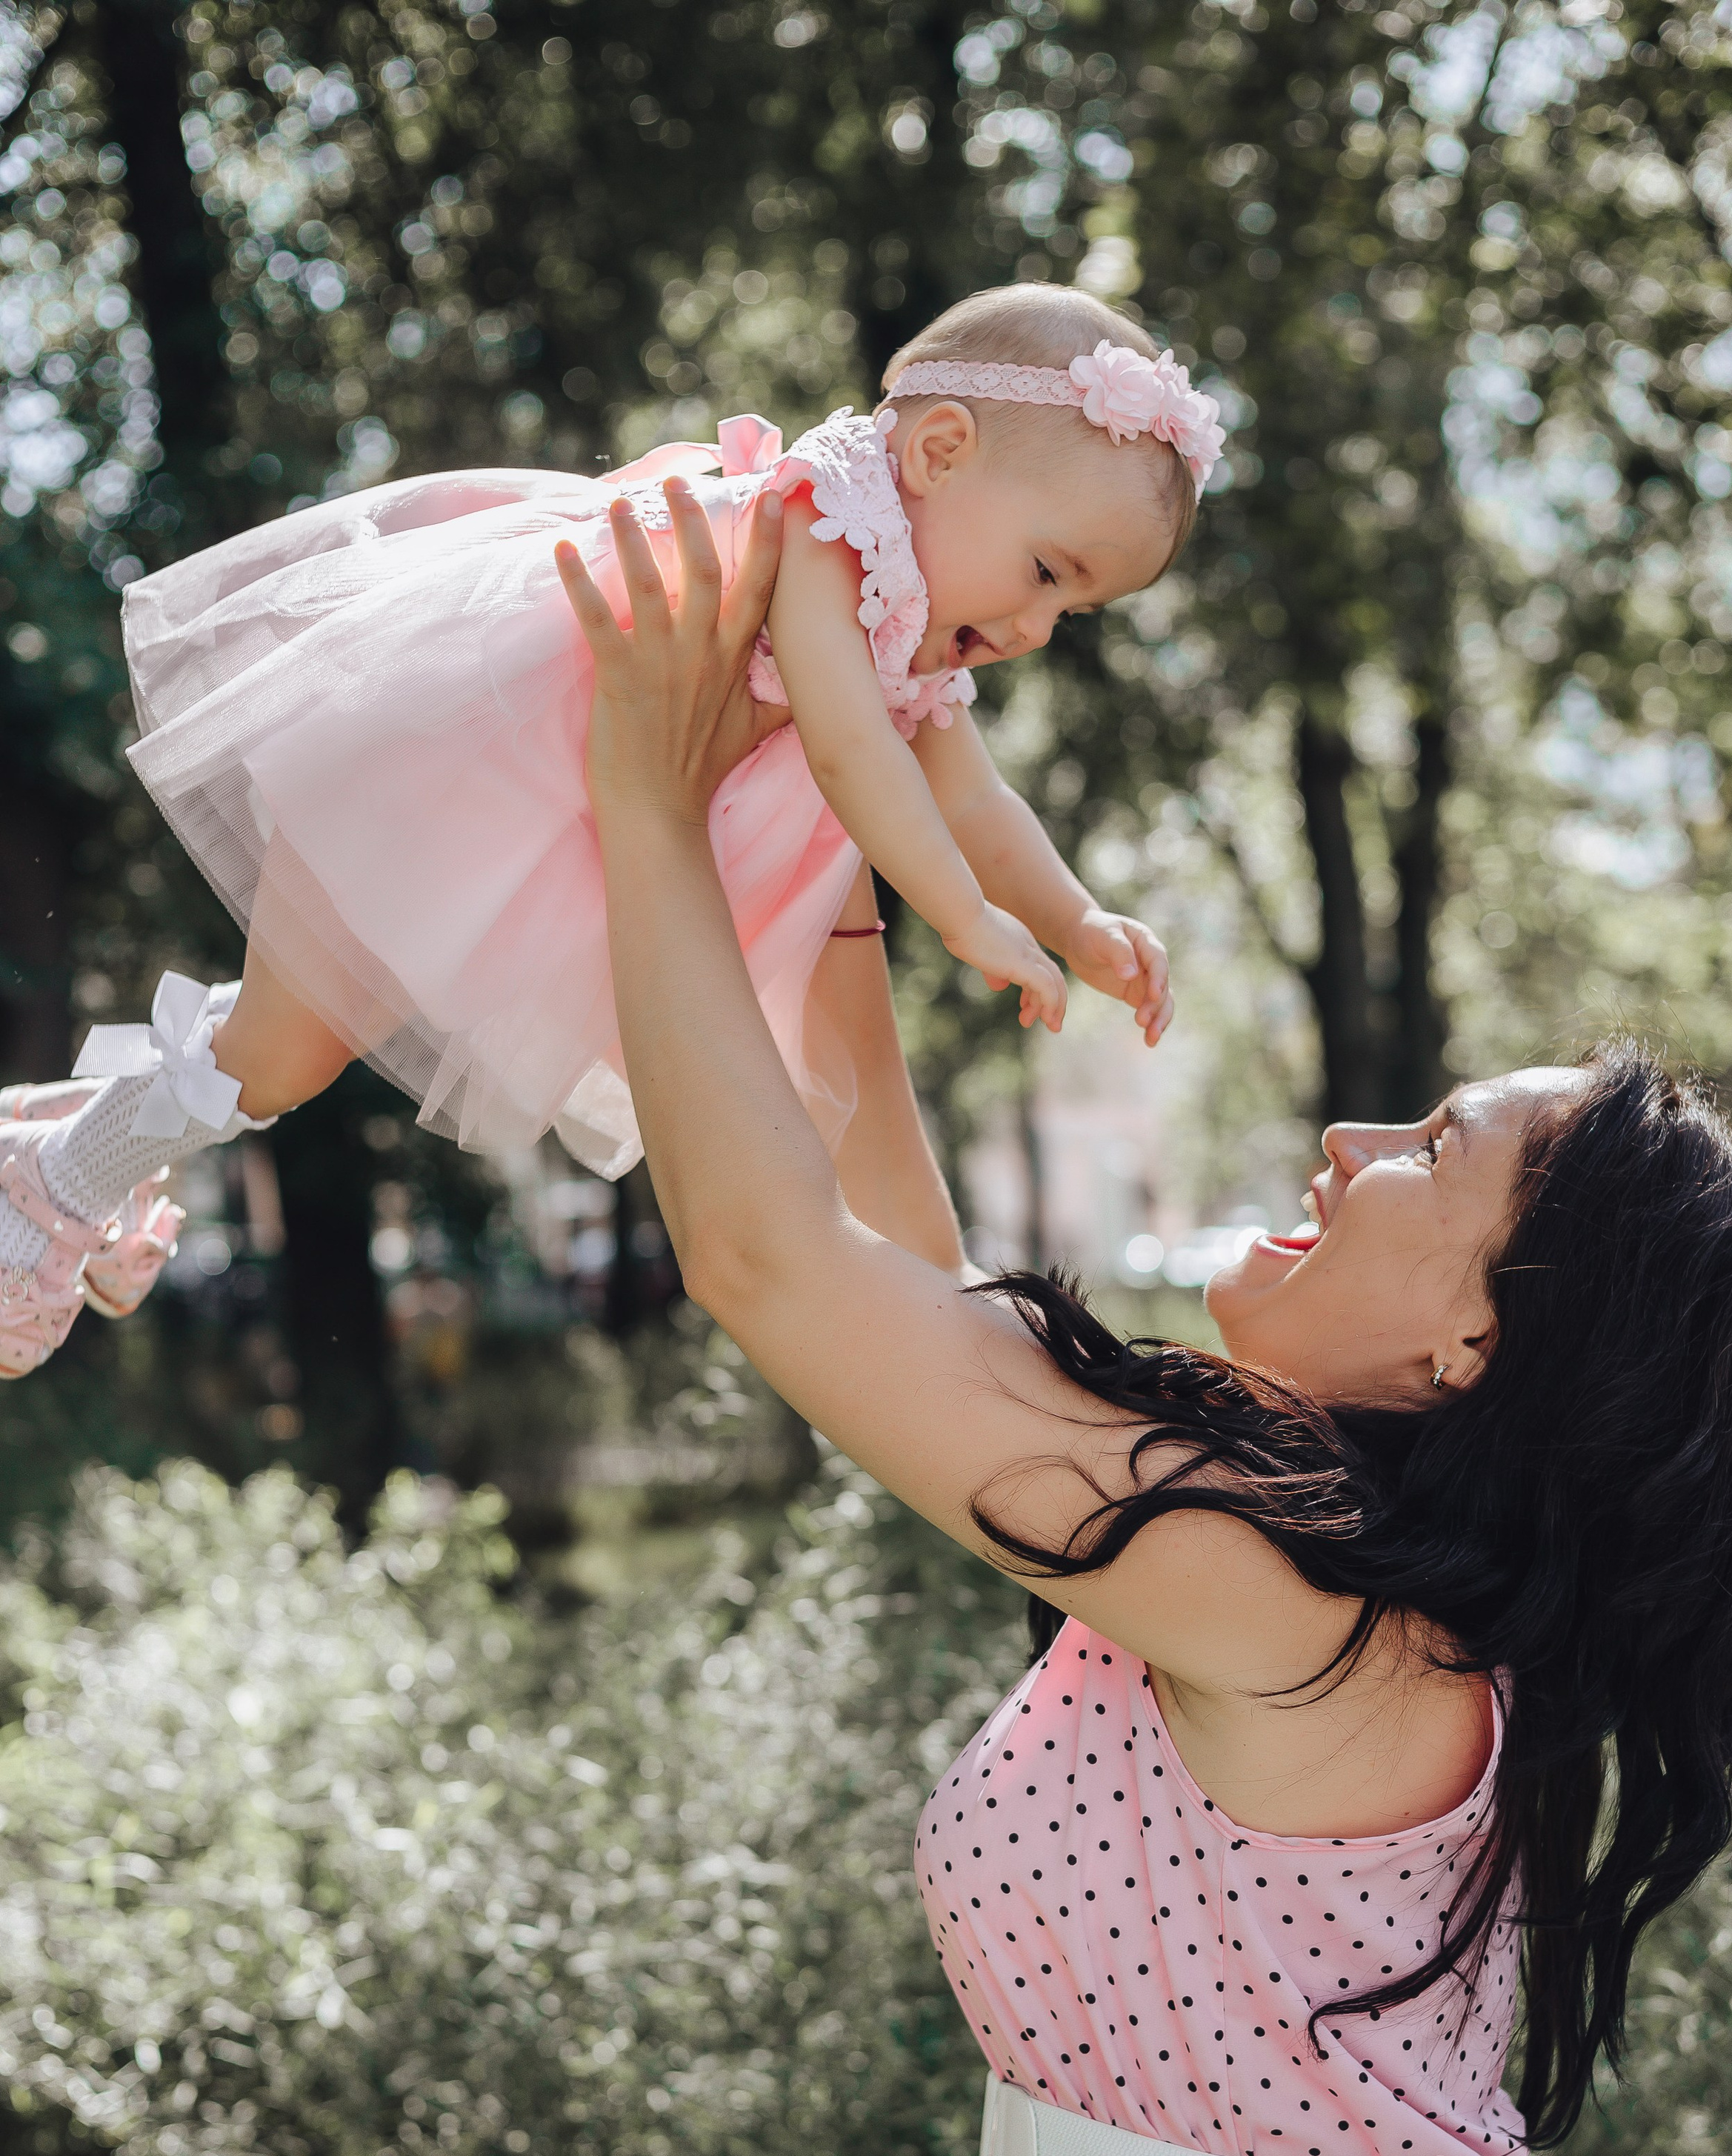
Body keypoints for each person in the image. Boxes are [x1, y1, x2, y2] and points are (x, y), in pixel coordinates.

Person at [548, 486, 1732, 2156]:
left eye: (1434, 1143)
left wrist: (633, 778)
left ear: (1474, 1337)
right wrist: (833, 805)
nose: (1348, 1136)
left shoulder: (1301, 1622)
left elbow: (759, 1260)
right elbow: (869, 1236)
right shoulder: (1261, 1575)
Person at [0, 283, 1213, 1381]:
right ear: (942, 451)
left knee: (292, 1043)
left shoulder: (914, 627)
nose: (1044, 625)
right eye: (1049, 572)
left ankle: (85, 1128)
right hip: (451, 770)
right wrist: (968, 918)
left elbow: (977, 799)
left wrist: (1077, 918)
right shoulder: (823, 530)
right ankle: (57, 1182)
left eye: (1079, 606)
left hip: (538, 829)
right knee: (282, 1049)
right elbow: (849, 756)